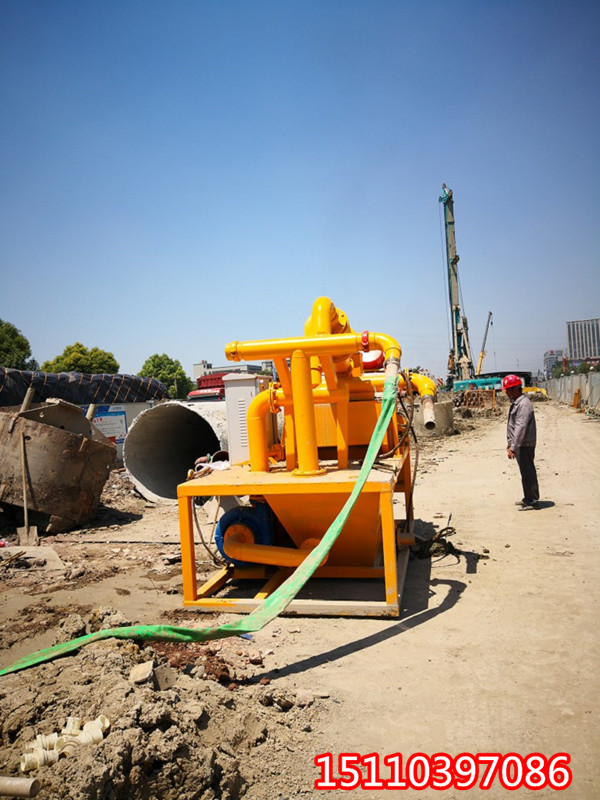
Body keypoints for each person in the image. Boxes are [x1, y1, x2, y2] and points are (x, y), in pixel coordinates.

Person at [502, 374, 539, 509]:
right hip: (520, 444)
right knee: (524, 472)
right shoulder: (517, 403)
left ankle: (533, 499)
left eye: (508, 390)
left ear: (516, 389)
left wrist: (513, 447)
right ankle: (528, 497)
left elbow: (520, 427)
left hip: (524, 444)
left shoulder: (523, 404)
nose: (506, 393)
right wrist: (510, 443)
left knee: (528, 472)